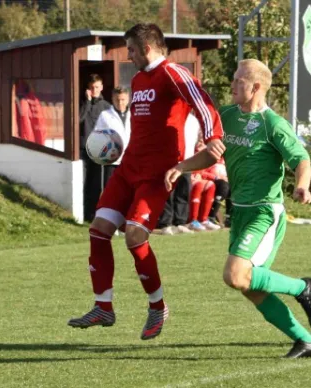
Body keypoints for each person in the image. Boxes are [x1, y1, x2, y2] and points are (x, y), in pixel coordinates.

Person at [67, 23, 225, 341]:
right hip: (128, 169)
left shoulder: (173, 73)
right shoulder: (138, 79)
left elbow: (202, 102)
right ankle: (103, 306)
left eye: (131, 50)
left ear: (148, 49)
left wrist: (213, 138)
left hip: (157, 175)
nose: (129, 55)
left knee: (135, 236)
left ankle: (157, 306)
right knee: (99, 229)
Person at [165, 59, 311, 358]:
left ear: (256, 87)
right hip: (239, 212)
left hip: (265, 212)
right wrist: (183, 166)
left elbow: (301, 159)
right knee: (250, 286)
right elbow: (212, 155)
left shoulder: (273, 124)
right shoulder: (226, 116)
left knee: (236, 275)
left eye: (239, 80)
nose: (232, 84)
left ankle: (303, 288)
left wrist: (302, 185)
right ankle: (306, 340)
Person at [154, 114, 200, 235]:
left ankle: (180, 222)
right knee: (169, 192)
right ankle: (166, 223)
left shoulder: (194, 120)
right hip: (171, 161)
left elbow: (194, 141)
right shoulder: (172, 117)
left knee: (184, 192)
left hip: (188, 161)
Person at [80, 74, 111, 221]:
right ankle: (83, 214)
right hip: (84, 149)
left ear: (102, 87)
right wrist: (87, 102)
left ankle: (93, 214)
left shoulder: (106, 107)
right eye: (92, 87)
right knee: (84, 183)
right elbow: (79, 119)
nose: (94, 90)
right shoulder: (83, 103)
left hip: (99, 151)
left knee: (97, 184)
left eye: (97, 87)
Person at [93, 86, 132, 188]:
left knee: (128, 191)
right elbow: (97, 136)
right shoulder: (105, 115)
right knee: (111, 191)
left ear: (128, 99)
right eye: (117, 100)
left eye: (123, 100)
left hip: (130, 161)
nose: (120, 103)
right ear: (112, 99)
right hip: (112, 162)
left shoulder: (134, 115)